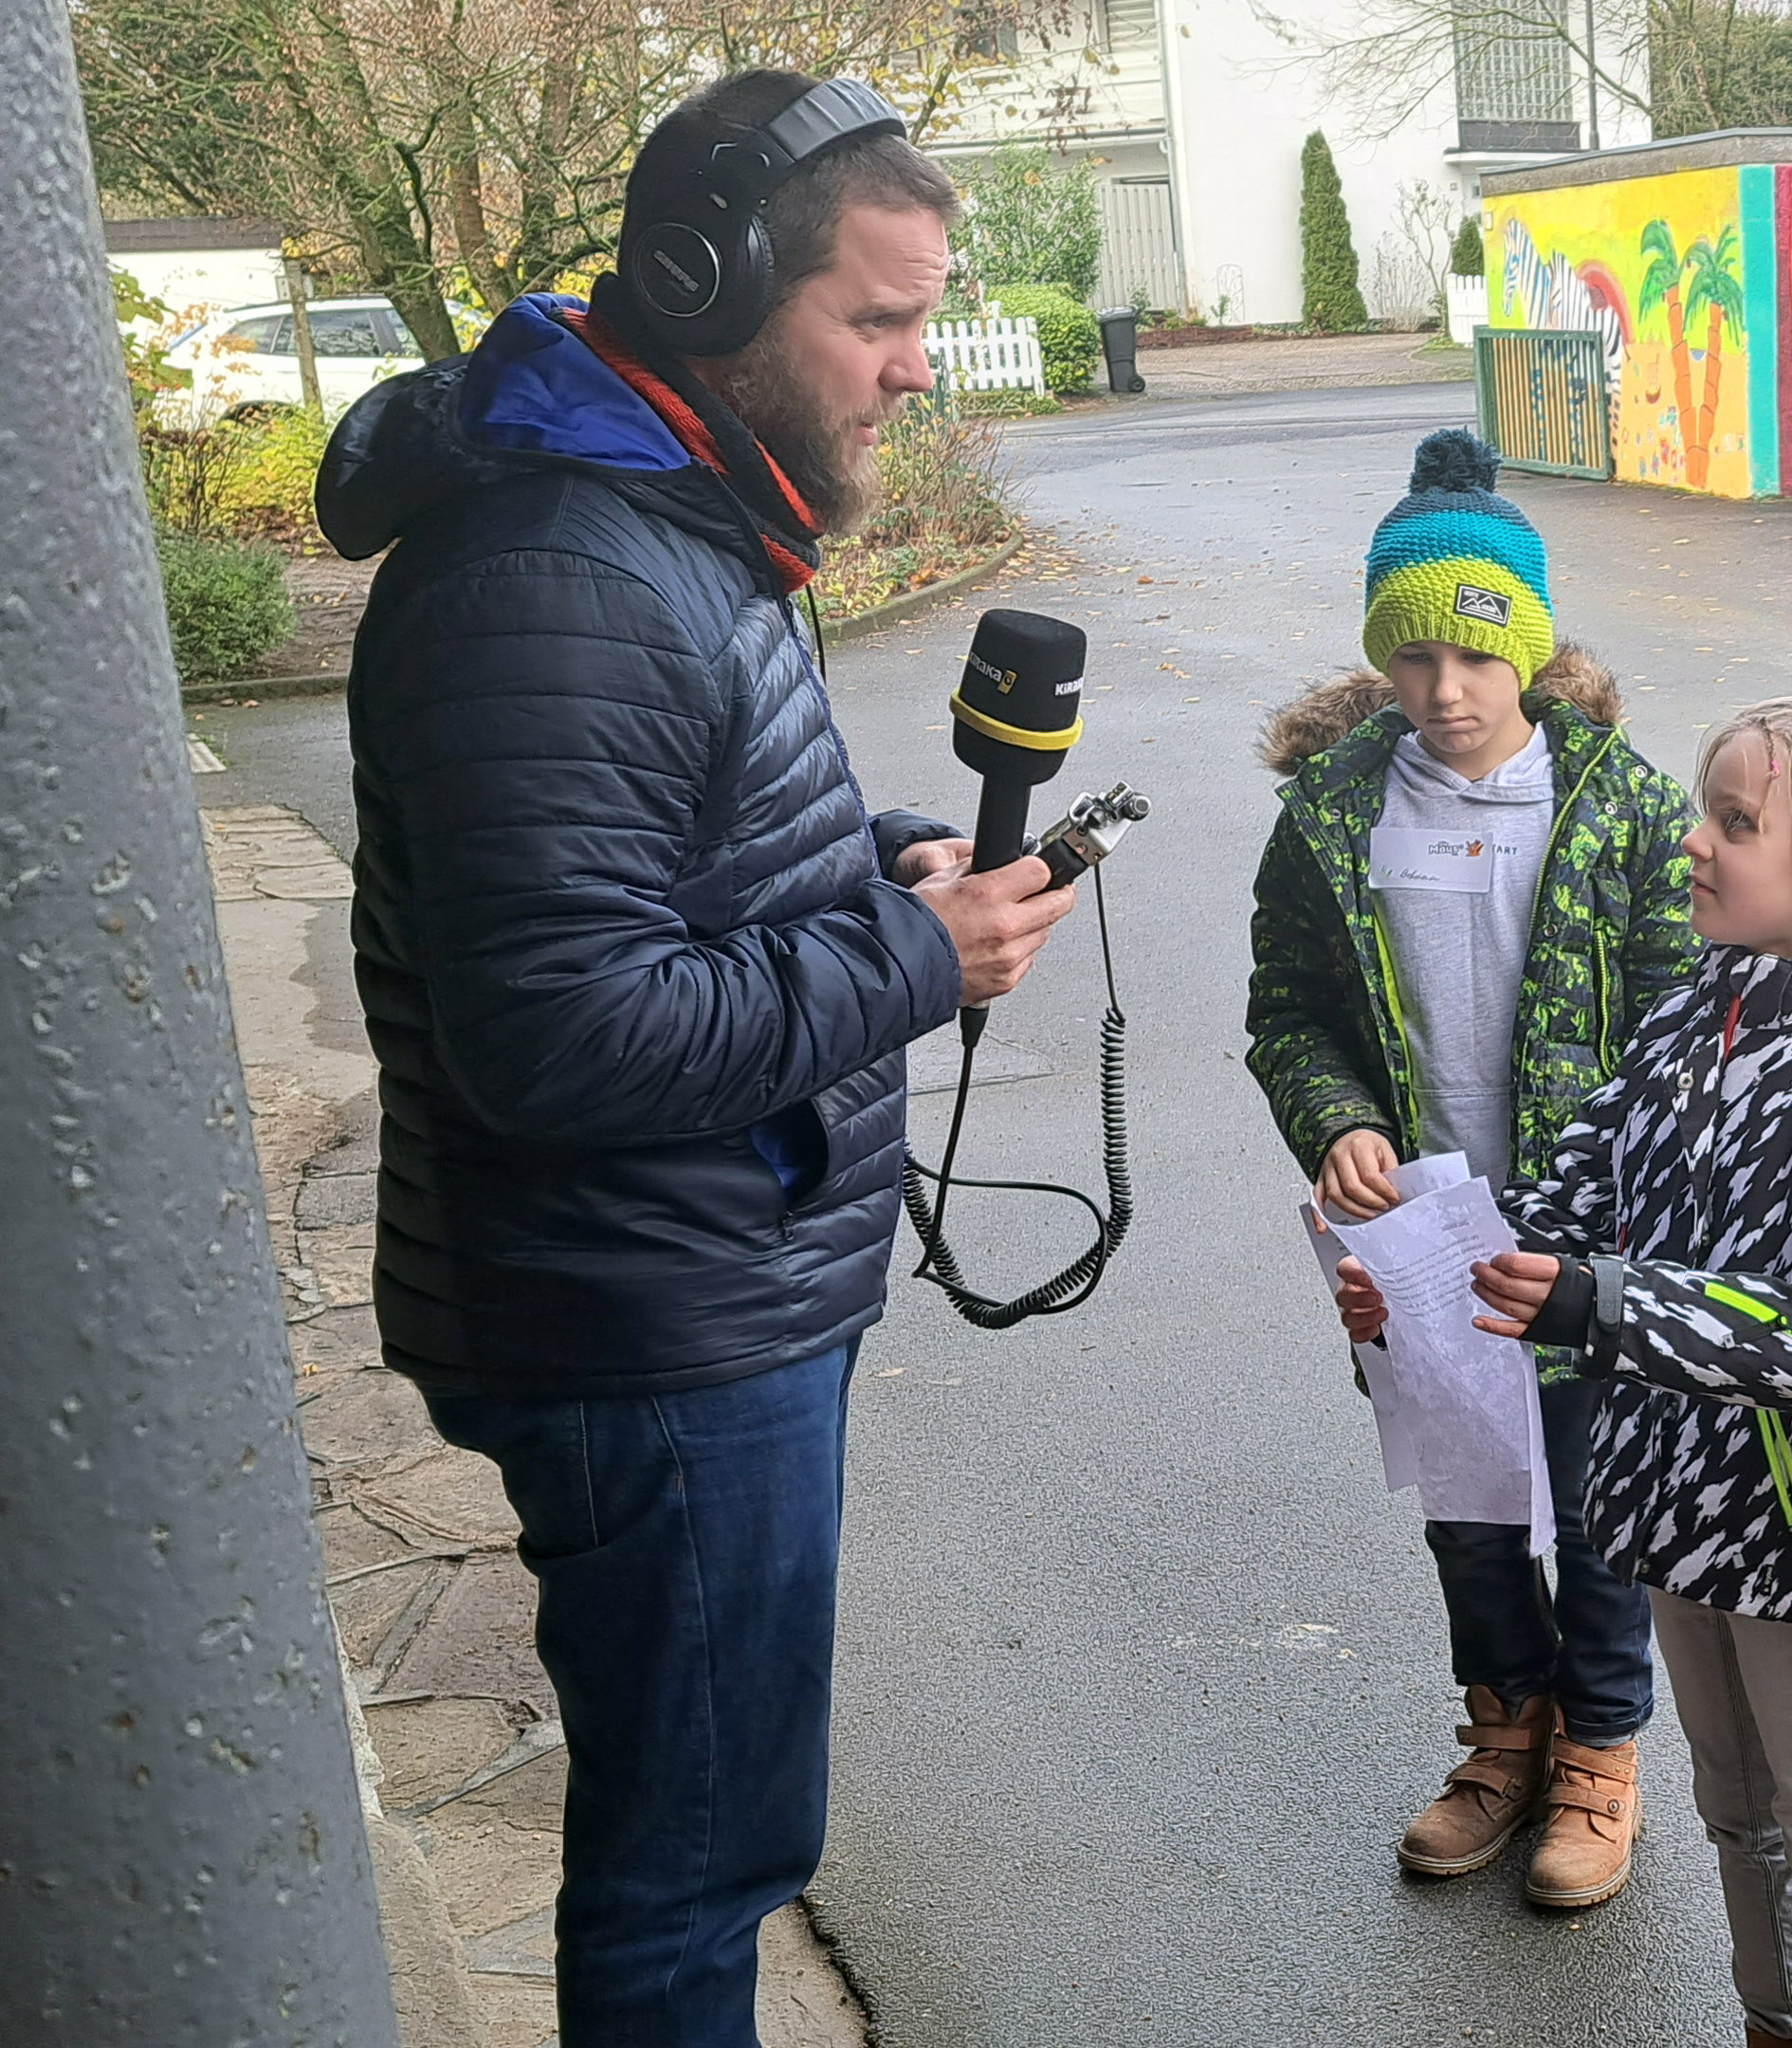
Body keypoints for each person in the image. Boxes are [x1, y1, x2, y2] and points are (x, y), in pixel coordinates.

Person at [312, 70, 1074, 2047]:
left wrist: (870, 856)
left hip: (688, 1289)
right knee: (699, 1865)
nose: (916, 368)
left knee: (710, 1838)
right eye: (879, 320)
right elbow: (558, 1038)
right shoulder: (561, 579)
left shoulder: (658, 517)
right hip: (649, 1332)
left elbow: (670, 859)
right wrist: (916, 953)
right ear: (709, 284)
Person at [1342, 696, 1792, 2048]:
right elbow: (1562, 1214)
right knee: (1731, 1805)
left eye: (1735, 823)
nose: (1693, 843)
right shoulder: (1698, 1008)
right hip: (1669, 1486)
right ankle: (1773, 2021)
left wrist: (1599, 1303)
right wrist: (1418, 1289)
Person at [1244, 426, 1699, 1905]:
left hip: (1583, 1240)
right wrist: (1335, 1122)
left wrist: (1633, 1221)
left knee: (1599, 1505)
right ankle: (1506, 1734)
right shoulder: (1331, 815)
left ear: (1533, 650)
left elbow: (1687, 1022)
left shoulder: (1622, 807)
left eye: (1479, 654)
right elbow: (1288, 1009)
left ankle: (1601, 1757)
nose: (1446, 690)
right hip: (1423, 1238)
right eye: (1413, 656)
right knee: (1473, 1505)